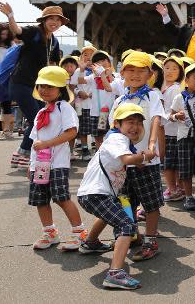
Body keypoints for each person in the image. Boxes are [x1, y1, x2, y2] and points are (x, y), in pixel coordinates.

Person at [77, 103, 158, 290]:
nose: (135, 127)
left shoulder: (120, 141)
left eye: (139, 123)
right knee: (126, 224)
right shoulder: (117, 139)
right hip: (96, 193)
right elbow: (129, 160)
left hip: (93, 193)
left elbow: (132, 161)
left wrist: (141, 159)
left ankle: (91, 242)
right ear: (117, 124)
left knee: (110, 214)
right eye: (130, 122)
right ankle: (115, 274)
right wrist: (146, 156)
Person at [108, 51, 164, 261]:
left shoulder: (152, 95)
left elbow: (157, 119)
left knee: (150, 203)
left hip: (147, 160)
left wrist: (151, 147)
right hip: (125, 162)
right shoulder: (120, 99)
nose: (135, 74)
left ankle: (151, 240)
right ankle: (131, 234)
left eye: (141, 71)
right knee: (125, 200)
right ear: (122, 73)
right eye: (130, 70)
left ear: (150, 74)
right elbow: (113, 128)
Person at [0, 3, 64, 169]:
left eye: (58, 19)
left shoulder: (54, 42)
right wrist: (10, 15)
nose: (54, 22)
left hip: (37, 86)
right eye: (51, 18)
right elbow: (17, 31)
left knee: (42, 119)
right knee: (37, 119)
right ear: (44, 20)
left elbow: (55, 65)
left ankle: (21, 155)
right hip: (20, 82)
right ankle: (23, 153)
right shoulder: (35, 32)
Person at [28, 66, 87, 251]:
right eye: (41, 86)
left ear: (61, 89)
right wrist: (31, 166)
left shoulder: (64, 108)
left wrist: (46, 144)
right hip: (39, 164)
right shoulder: (41, 112)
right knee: (40, 199)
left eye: (50, 86)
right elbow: (34, 141)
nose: (44, 90)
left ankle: (80, 232)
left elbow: (71, 133)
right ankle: (49, 232)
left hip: (58, 163)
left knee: (62, 198)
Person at [169, 63, 195, 211]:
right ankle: (188, 197)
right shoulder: (179, 97)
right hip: (184, 137)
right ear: (187, 80)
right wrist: (175, 116)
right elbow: (170, 115)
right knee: (185, 169)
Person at [76, 50, 115, 151]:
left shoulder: (116, 77)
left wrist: (109, 74)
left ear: (109, 62)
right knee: (98, 137)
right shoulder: (93, 77)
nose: (101, 64)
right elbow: (80, 81)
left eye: (103, 61)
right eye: (97, 63)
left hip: (111, 113)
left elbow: (113, 88)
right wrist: (81, 70)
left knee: (111, 136)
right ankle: (99, 157)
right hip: (97, 113)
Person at [160, 56, 184, 201]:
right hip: (169, 130)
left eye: (175, 69)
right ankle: (177, 187)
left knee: (169, 163)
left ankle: (172, 189)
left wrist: (169, 116)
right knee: (175, 162)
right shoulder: (166, 88)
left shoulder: (175, 89)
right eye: (167, 67)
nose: (170, 71)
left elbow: (175, 111)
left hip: (171, 131)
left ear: (180, 72)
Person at [0, 23, 15, 139]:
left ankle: (6, 129)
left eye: (6, 34)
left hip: (7, 75)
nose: (4, 36)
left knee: (6, 103)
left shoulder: (12, 44)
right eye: (2, 34)